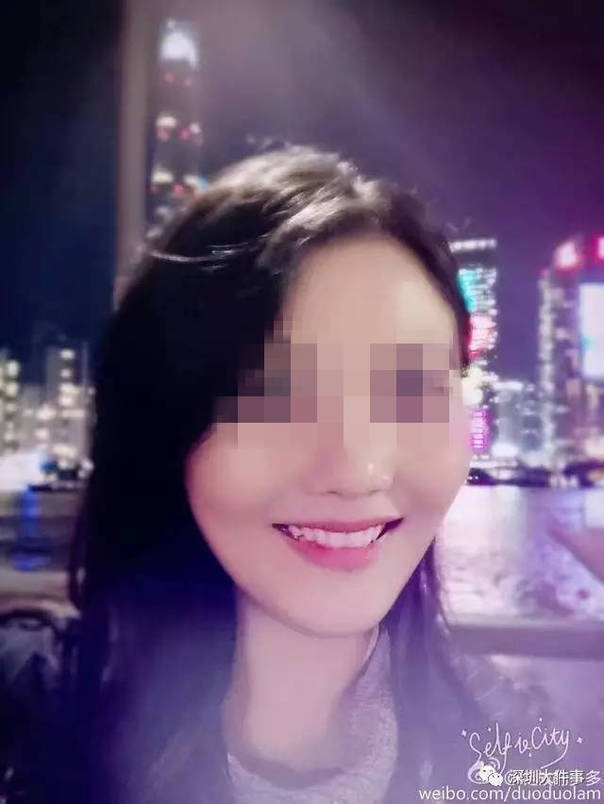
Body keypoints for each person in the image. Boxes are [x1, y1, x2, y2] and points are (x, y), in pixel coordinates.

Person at [1, 146, 567, 803]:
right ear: (163, 423)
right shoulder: (28, 722)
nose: (357, 470)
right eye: (273, 394)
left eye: (414, 391)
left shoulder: (513, 758)